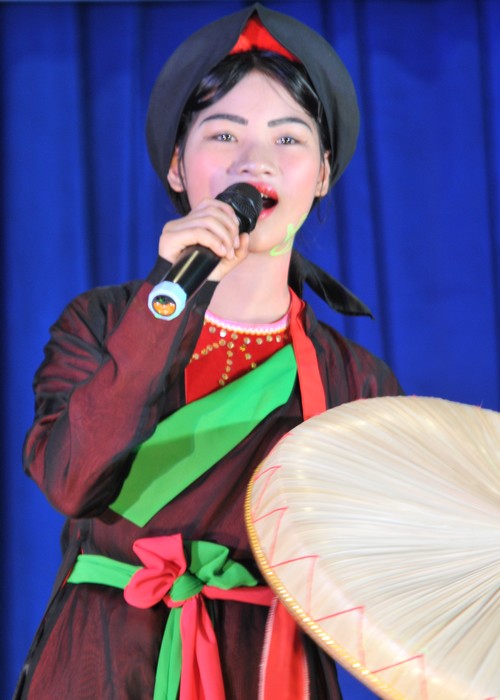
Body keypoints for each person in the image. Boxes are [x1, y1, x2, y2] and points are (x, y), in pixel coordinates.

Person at [15, 4, 402, 699]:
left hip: (267, 669)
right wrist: (166, 301)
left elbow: (378, 582)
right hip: (104, 666)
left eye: (289, 137)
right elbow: (72, 480)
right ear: (176, 165)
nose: (256, 161)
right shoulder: (100, 324)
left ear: (322, 174)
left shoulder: (356, 381)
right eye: (224, 133)